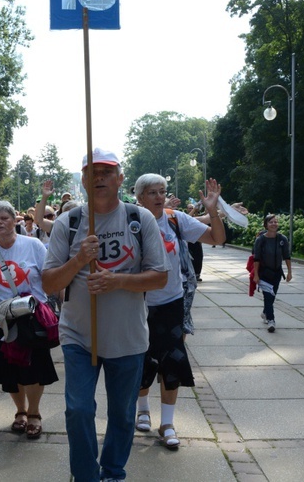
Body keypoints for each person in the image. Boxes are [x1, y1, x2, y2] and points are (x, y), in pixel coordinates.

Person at [42, 148, 169, 482]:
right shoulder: (67, 224)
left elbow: (160, 276)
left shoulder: (139, 220)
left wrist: (118, 280)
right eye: (92, 172)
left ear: (120, 178)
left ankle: (113, 472)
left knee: (123, 415)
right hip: (79, 336)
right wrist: (79, 260)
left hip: (128, 338)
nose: (99, 178)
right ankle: (86, 476)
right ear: (82, 180)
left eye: (106, 171)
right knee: (79, 410)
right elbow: (49, 282)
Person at [133, 174, 225, 449]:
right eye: (152, 192)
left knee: (171, 362)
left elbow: (217, 238)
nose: (160, 197)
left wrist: (212, 209)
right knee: (141, 361)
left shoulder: (175, 219)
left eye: (162, 191)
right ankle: (143, 410)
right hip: (138, 304)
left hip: (172, 302)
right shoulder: (130, 222)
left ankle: (168, 424)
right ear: (139, 197)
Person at [0, 200, 58, 439]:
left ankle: (35, 413)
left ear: (14, 220)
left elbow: (50, 279)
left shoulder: (34, 246)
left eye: (4, 218)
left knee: (33, 371)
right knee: (9, 373)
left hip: (31, 321)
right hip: (3, 325)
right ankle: (20, 411)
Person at [252, 214, 293, 333]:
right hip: (264, 273)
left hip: (276, 273)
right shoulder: (261, 240)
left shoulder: (282, 239)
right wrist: (256, 274)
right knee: (268, 297)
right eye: (271, 222)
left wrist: (289, 272)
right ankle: (271, 320)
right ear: (266, 225)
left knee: (272, 296)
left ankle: (265, 312)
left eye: (275, 222)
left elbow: (287, 256)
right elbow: (256, 258)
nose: (274, 224)